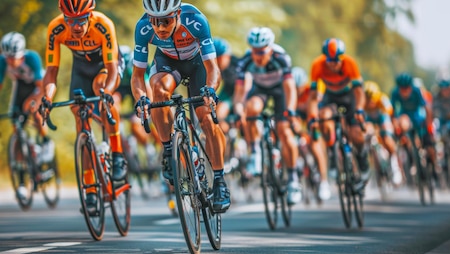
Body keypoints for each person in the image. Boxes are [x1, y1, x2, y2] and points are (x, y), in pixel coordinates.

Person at [132, 0, 230, 213]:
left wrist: (211, 90)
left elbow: (213, 68)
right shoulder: (142, 28)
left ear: (177, 14)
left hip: (198, 65)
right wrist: (141, 99)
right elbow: (138, 76)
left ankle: (220, 181)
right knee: (157, 92)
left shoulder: (195, 21)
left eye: (166, 21)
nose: (160, 28)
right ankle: (169, 151)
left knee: (205, 116)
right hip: (168, 63)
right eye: (155, 22)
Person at [42, 0, 127, 210]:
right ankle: (90, 189)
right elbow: (51, 72)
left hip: (107, 67)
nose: (76, 26)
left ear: (90, 15)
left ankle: (117, 155)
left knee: (101, 89)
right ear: (64, 17)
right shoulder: (56, 28)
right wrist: (47, 99)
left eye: (81, 20)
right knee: (80, 118)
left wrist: (107, 93)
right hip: (80, 70)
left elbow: (112, 68)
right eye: (71, 21)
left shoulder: (103, 24)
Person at [233, 27, 302, 204]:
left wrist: (291, 111)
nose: (258, 56)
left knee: (284, 131)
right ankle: (255, 153)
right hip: (261, 90)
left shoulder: (281, 58)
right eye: (255, 51)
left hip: (280, 91)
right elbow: (239, 93)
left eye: (262, 52)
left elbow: (290, 89)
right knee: (251, 108)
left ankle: (293, 180)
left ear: (270, 49)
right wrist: (239, 110)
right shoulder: (246, 61)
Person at [307, 38, 370, 192]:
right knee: (323, 118)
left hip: (350, 97)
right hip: (330, 97)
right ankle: (333, 154)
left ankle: (361, 158)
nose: (333, 64)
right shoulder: (317, 65)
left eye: (336, 61)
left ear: (342, 58)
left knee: (356, 135)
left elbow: (359, 92)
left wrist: (360, 109)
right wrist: (312, 117)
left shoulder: (350, 63)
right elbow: (313, 96)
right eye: (330, 60)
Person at [0, 32, 49, 198]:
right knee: (17, 127)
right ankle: (22, 181)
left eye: (15, 58)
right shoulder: (2, 61)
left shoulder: (32, 58)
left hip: (37, 87)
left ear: (21, 54)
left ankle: (45, 142)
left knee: (35, 112)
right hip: (20, 88)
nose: (11, 61)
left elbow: (41, 87)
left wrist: (32, 102)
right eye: (8, 58)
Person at [292, 66, 331, 200]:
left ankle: (324, 181)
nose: (298, 91)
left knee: (315, 146)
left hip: (313, 118)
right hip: (300, 118)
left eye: (300, 88)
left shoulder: (311, 91)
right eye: (295, 88)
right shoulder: (290, 93)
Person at [391, 73, 437, 180]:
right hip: (405, 115)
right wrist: (395, 125)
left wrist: (429, 124)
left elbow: (426, 108)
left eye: (407, 88)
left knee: (429, 145)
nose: (405, 91)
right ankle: (412, 157)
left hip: (418, 115)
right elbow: (392, 112)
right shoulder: (395, 93)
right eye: (402, 89)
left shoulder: (416, 91)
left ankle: (434, 168)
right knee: (404, 126)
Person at [363, 80, 403, 186]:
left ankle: (395, 168)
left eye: (372, 100)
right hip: (370, 121)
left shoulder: (382, 99)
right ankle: (369, 167)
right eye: (368, 100)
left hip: (383, 119)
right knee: (366, 135)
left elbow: (389, 115)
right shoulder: (362, 102)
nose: (370, 103)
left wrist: (386, 129)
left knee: (387, 139)